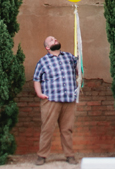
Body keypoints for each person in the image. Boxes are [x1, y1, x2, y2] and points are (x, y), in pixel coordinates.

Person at [32, 36, 79, 166]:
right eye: (51, 40)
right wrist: (39, 93)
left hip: (69, 99)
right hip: (51, 100)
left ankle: (69, 155)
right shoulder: (43, 62)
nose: (55, 40)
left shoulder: (69, 57)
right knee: (47, 129)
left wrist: (79, 61)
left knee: (67, 130)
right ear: (47, 47)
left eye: (55, 39)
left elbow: (77, 72)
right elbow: (36, 79)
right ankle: (42, 156)